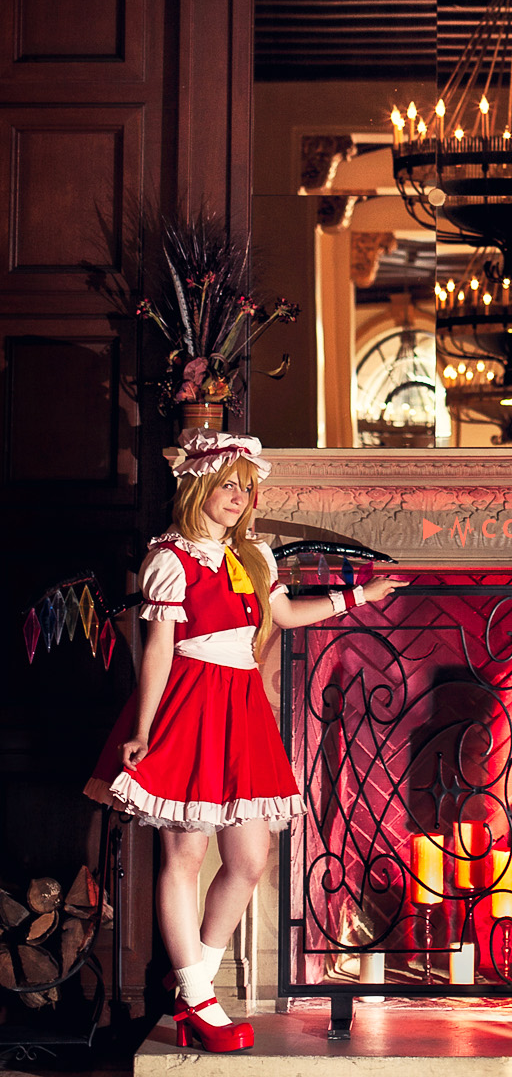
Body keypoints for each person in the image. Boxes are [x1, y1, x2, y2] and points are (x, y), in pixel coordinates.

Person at [85, 433, 404, 1052]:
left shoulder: (252, 555)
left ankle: (192, 987)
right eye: (228, 485)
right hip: (188, 704)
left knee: (250, 859)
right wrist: (143, 729)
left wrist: (358, 596)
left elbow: (284, 616)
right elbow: (157, 651)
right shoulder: (169, 559)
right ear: (199, 487)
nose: (240, 497)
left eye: (247, 488)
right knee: (184, 855)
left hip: (242, 708)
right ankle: (199, 999)